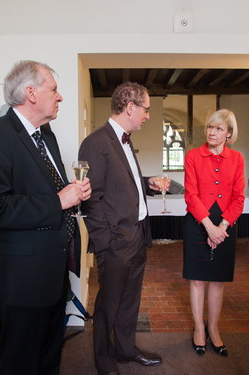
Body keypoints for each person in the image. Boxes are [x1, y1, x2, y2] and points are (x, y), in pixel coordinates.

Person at [0, 60, 91, 374]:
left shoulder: (45, 135)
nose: (60, 97)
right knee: (21, 362)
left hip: (54, 271)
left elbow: (48, 191)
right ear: (31, 93)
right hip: (21, 279)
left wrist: (73, 193)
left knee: (50, 357)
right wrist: (59, 199)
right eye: (54, 89)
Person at [79, 81, 167, 375]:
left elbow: (122, 184)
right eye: (146, 109)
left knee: (130, 301)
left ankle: (126, 351)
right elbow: (93, 199)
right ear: (130, 107)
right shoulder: (95, 143)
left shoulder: (124, 140)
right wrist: (107, 242)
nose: (147, 115)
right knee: (108, 305)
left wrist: (148, 184)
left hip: (137, 235)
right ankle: (105, 361)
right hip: (116, 242)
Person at [183, 109, 245, 358]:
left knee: (218, 281)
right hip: (199, 221)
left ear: (229, 134)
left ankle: (214, 329)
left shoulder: (237, 158)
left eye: (218, 128)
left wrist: (222, 227)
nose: (212, 132)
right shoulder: (193, 156)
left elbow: (239, 198)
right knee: (197, 279)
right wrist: (209, 226)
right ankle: (199, 329)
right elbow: (191, 194)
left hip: (226, 225)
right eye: (210, 127)